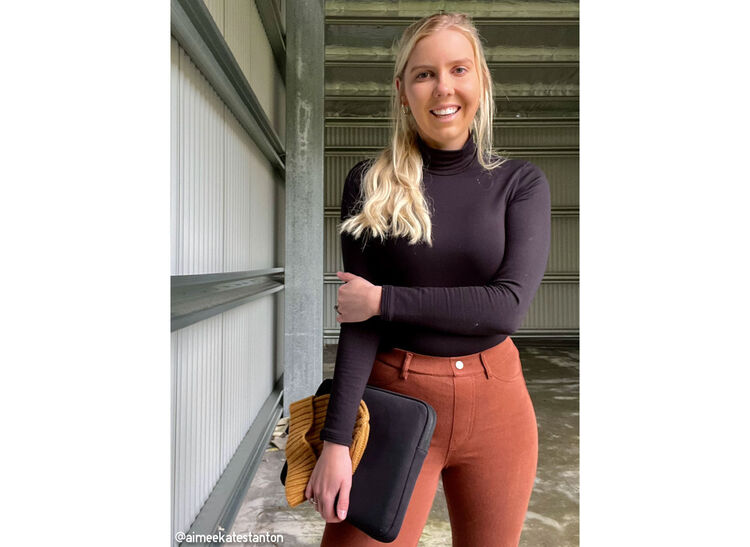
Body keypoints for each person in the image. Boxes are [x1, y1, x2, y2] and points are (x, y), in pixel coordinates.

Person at [306, 12, 551, 547]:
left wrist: (383, 300)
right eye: (424, 74)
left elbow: (506, 307)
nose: (444, 88)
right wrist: (336, 439)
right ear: (402, 90)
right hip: (393, 397)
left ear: (481, 81)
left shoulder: (520, 183)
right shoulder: (370, 184)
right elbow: (359, 324)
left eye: (459, 69)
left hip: (498, 406)